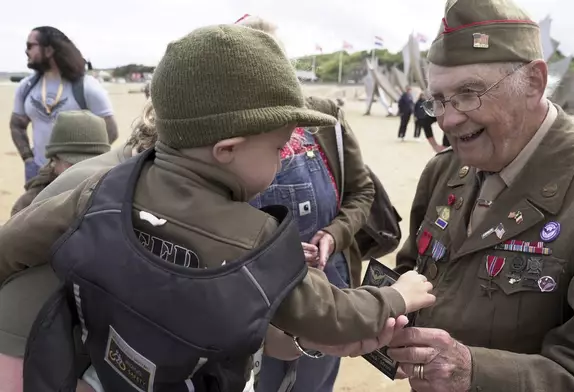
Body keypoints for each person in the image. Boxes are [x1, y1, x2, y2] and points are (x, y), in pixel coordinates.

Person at [0, 25, 434, 391]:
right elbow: (333, 317)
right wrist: (398, 295)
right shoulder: (254, 240)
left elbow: (13, 246)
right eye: (279, 148)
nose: (284, 159)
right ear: (227, 149)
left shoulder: (102, 189)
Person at [384, 0, 574, 391]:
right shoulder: (444, 170)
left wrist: (475, 373)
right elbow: (413, 274)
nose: (448, 118)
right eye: (437, 99)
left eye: (469, 93)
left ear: (534, 82)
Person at [234, 15, 374, 392]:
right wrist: (270, 250)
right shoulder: (225, 129)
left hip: (331, 286)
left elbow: (362, 193)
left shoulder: (325, 117)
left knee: (315, 382)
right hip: (255, 290)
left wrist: (334, 234)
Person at [9, 26, 118, 184]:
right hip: (38, 172)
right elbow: (16, 125)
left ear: (49, 50)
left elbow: (111, 130)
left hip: (76, 175)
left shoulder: (87, 87)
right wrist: (28, 160)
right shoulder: (26, 87)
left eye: (30, 46)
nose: (26, 51)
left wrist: (83, 163)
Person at [10, 110, 111, 216]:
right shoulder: (28, 206)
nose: (84, 171)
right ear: (54, 161)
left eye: (92, 163)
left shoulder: (119, 194)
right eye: (74, 165)